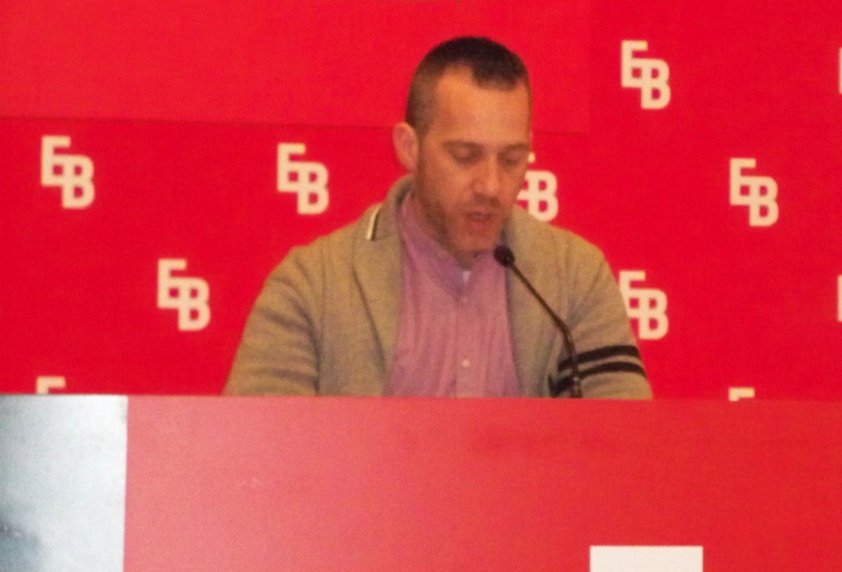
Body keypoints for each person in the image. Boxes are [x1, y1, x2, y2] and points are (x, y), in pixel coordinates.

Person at [225, 36, 651, 398]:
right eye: (464, 156)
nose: (491, 185)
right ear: (410, 148)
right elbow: (261, 453)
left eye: (512, 159)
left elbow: (624, 445)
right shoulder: (312, 285)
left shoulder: (575, 278)